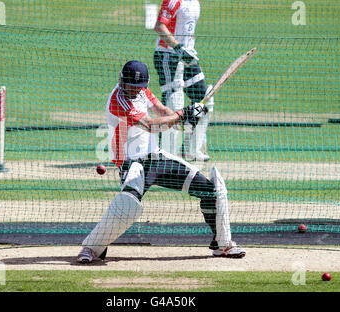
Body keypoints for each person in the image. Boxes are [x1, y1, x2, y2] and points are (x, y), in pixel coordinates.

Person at [77, 60, 245, 263]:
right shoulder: (118, 100)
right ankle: (92, 248)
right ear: (122, 82)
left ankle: (223, 245)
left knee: (210, 190)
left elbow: (163, 112)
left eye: (137, 87)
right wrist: (183, 114)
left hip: (156, 158)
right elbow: (150, 125)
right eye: (130, 86)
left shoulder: (143, 91)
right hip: (131, 163)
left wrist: (186, 118)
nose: (133, 90)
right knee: (128, 204)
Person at [153, 0, 213, 161]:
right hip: (168, 55)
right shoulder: (173, 1)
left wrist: (189, 50)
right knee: (173, 102)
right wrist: (178, 47)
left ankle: (190, 149)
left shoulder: (195, 2)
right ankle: (166, 153)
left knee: (204, 99)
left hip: (188, 56)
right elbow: (159, 26)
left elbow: (189, 31)